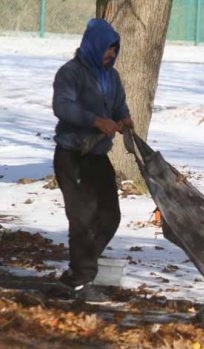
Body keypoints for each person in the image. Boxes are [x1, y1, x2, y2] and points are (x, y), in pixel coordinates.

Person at [52, 18, 133, 301]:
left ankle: (80, 266)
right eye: (106, 49)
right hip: (72, 155)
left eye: (114, 49)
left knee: (110, 216)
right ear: (93, 46)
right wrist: (96, 121)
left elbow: (119, 103)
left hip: (97, 157)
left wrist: (123, 117)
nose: (110, 54)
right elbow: (62, 107)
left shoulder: (112, 77)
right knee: (82, 216)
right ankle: (80, 279)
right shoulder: (70, 73)